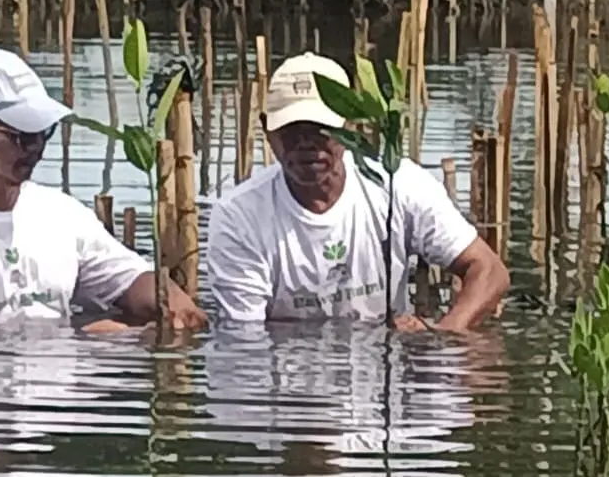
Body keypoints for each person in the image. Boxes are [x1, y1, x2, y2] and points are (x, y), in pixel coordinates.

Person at [0, 46, 206, 336]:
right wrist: (91, 343)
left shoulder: (59, 214)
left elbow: (129, 278)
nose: (34, 147)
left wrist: (171, 303)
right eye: (18, 135)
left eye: (43, 132)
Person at [206, 53, 509, 331]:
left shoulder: (399, 184)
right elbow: (245, 342)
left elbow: (489, 269)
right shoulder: (238, 216)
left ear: (349, 125)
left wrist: (447, 333)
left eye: (321, 128)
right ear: (267, 130)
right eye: (291, 129)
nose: (306, 142)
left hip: (389, 369)